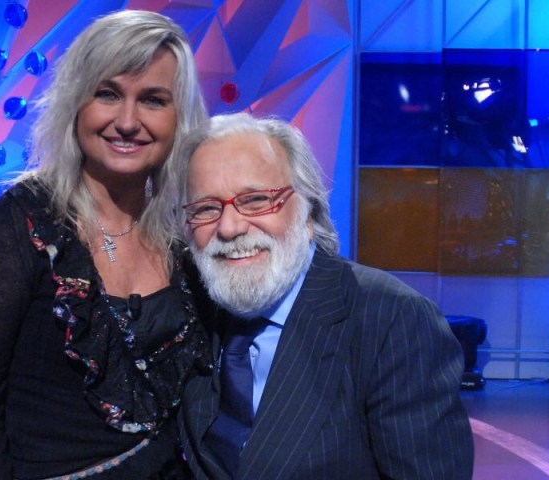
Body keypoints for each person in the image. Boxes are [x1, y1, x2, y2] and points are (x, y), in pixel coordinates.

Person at [0, 9, 211, 480]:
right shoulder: (24, 221)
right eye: (108, 94)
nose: (127, 121)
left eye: (153, 100)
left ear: (179, 117)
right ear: (75, 104)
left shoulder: (184, 227)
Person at [172, 112, 474, 479]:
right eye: (206, 208)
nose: (229, 227)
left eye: (256, 200)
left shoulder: (393, 320)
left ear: (309, 214)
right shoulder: (192, 310)